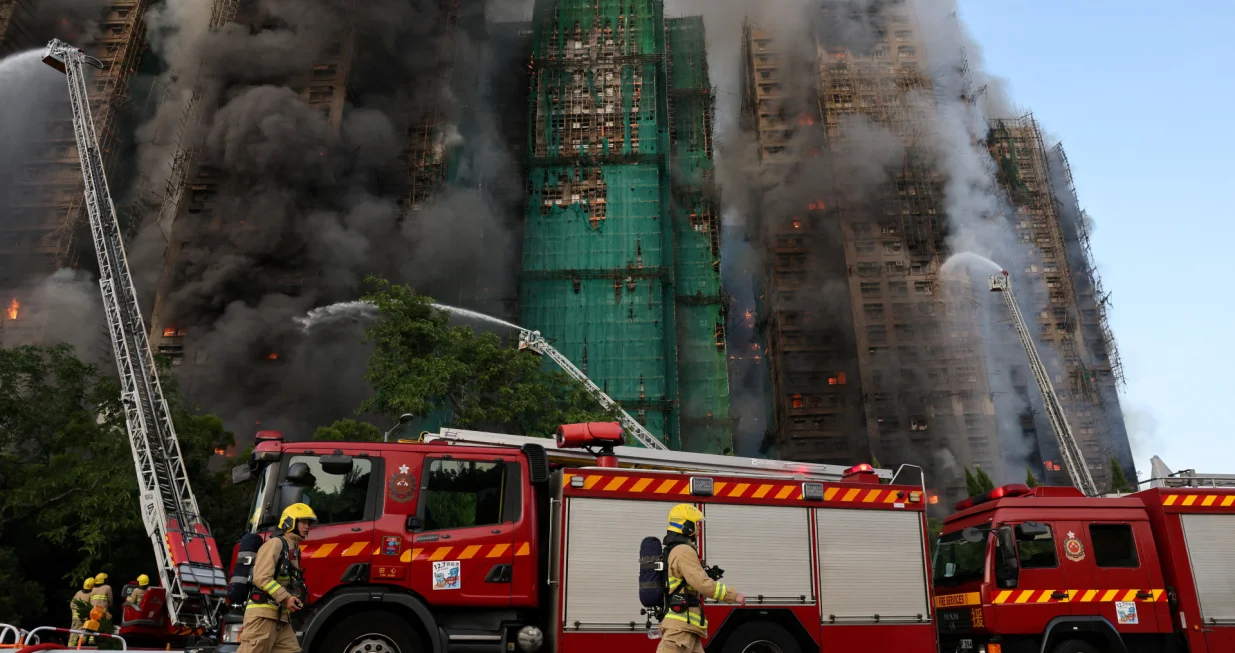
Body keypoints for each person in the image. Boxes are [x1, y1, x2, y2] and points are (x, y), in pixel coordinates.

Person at [657, 503, 746, 653]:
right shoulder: (683, 551)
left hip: (687, 628)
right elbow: (702, 584)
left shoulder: (677, 550)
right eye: (695, 524)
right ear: (686, 526)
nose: (698, 529)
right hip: (679, 631)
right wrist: (732, 595)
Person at [236, 503, 315, 653]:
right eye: (303, 522)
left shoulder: (294, 549)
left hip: (281, 618)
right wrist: (286, 598)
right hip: (262, 617)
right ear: (289, 522)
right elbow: (261, 577)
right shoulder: (275, 544)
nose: (307, 527)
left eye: (309, 523)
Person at [68, 578, 95, 646]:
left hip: (75, 617)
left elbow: (72, 605)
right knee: (78, 632)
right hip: (82, 617)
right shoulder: (91, 594)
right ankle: (71, 647)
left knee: (74, 631)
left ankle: (72, 645)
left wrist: (74, 613)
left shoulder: (78, 592)